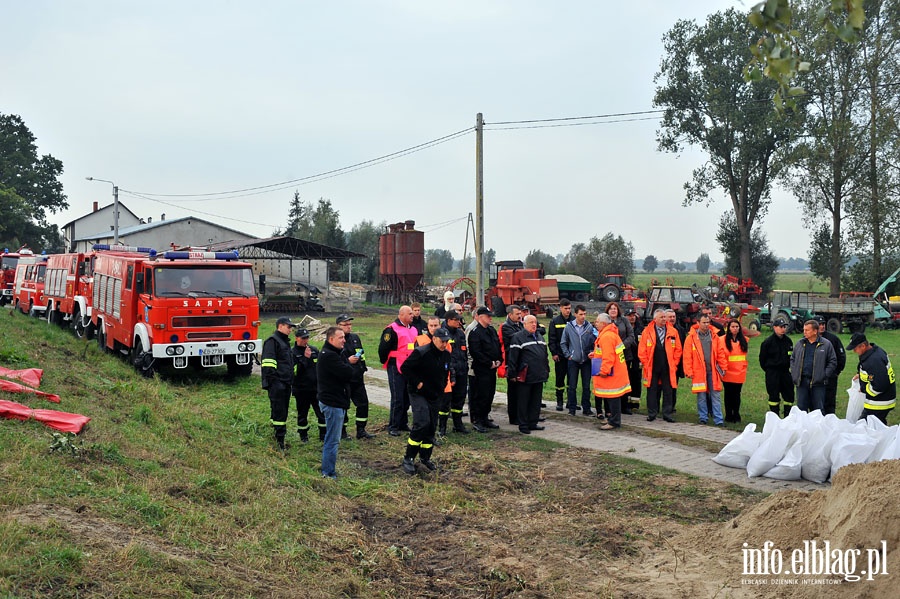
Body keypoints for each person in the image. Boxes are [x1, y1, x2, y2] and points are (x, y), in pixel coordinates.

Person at [401, 327, 452, 474]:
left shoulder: (446, 355)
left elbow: (446, 372)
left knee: (431, 427)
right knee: (422, 423)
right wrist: (418, 382)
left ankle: (425, 458)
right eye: (442, 341)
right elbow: (405, 368)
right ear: (434, 339)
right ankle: (409, 457)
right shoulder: (421, 352)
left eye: (446, 341)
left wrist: (442, 387)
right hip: (418, 393)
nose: (444, 344)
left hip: (435, 394)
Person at [317, 326, 358, 479]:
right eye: (340, 338)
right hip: (333, 403)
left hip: (335, 401)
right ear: (331, 339)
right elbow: (349, 373)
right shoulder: (329, 356)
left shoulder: (335, 353)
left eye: (344, 337)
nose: (344, 340)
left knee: (332, 438)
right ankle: (328, 472)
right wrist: (348, 365)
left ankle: (328, 469)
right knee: (332, 440)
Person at [507, 314, 550, 434]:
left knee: (536, 401)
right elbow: (513, 357)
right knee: (523, 401)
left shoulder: (540, 337)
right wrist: (513, 374)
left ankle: (533, 422)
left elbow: (545, 355)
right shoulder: (518, 337)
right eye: (531, 322)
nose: (534, 324)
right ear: (524, 324)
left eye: (535, 322)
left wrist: (546, 370)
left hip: (539, 374)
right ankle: (523, 424)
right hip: (525, 376)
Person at [378, 305, 417, 436]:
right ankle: (393, 425)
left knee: (407, 397)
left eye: (412, 313)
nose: (412, 315)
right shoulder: (391, 330)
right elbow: (383, 349)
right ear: (401, 315)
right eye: (410, 313)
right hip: (396, 366)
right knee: (398, 397)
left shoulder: (413, 329)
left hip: (409, 367)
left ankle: (402, 423)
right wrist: (388, 362)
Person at [682, 314, 727, 426]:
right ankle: (703, 417)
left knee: (715, 395)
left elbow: (720, 353)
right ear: (698, 323)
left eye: (708, 322)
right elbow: (687, 356)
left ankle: (719, 420)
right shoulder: (691, 338)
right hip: (698, 371)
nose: (706, 325)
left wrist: (723, 367)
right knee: (701, 395)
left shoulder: (714, 336)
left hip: (713, 371)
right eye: (704, 322)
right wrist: (689, 371)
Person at [638, 308, 682, 422]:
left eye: (664, 317)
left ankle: (667, 414)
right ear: (655, 319)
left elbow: (678, 349)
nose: (664, 319)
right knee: (652, 390)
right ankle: (652, 413)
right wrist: (646, 363)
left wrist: (674, 363)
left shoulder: (673, 331)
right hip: (652, 366)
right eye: (662, 317)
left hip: (668, 366)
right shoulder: (647, 331)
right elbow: (641, 350)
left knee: (668, 390)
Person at [336, 314, 375, 440]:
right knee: (344, 406)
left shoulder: (355, 338)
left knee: (363, 404)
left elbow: (361, 354)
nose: (349, 326)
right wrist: (347, 361)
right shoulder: (335, 340)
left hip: (357, 378)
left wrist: (362, 367)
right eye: (345, 324)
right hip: (344, 380)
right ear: (338, 326)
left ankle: (361, 430)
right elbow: (333, 360)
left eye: (350, 324)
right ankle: (342, 432)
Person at [590, 313, 631, 430]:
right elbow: (607, 352)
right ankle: (613, 420)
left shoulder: (607, 336)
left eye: (597, 322)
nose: (595, 323)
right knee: (614, 398)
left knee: (613, 398)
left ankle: (614, 422)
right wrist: (595, 355)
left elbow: (609, 357)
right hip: (617, 371)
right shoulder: (610, 334)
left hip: (612, 373)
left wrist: (604, 371)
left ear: (603, 324)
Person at [261, 317, 296, 451]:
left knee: (281, 411)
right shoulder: (273, 341)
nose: (290, 329)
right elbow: (268, 364)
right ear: (280, 326)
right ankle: (279, 440)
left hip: (285, 383)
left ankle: (276, 434)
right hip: (278, 384)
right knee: (279, 412)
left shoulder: (284, 342)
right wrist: (275, 383)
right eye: (288, 327)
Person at [789, 319, 837, 414]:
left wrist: (823, 375)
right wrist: (795, 373)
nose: (804, 332)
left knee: (818, 410)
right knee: (801, 409)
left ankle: (817, 429)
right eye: (804, 330)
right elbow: (793, 359)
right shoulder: (800, 343)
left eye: (807, 330)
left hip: (818, 384)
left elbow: (833, 361)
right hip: (802, 382)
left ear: (815, 331)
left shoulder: (826, 344)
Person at [847, 333, 896, 424]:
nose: (854, 351)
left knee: (863, 426)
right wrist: (860, 375)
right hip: (884, 399)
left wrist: (864, 389)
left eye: (855, 348)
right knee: (877, 425)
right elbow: (873, 373)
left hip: (879, 403)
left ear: (863, 346)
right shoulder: (874, 352)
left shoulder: (873, 361)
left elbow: (879, 386)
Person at [467, 306, 502, 432]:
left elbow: (497, 346)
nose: (490, 318)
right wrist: (489, 363)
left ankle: (485, 417)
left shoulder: (491, 330)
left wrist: (499, 360)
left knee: (489, 394)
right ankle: (477, 420)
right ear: (480, 317)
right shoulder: (475, 332)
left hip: (492, 369)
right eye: (488, 316)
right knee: (480, 395)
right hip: (481, 369)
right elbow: (476, 352)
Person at [560, 304, 597, 416]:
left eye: (585, 314)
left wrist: (591, 351)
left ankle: (586, 408)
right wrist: (568, 355)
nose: (583, 316)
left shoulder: (589, 327)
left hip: (586, 361)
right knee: (572, 385)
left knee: (586, 386)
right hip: (573, 360)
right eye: (581, 314)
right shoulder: (569, 327)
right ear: (575, 314)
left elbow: (594, 341)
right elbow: (563, 343)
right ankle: (572, 409)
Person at [291, 327, 325, 443]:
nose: (305, 341)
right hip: (301, 390)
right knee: (302, 414)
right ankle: (303, 436)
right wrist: (305, 359)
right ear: (296, 338)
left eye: (307, 338)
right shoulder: (292, 353)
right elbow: (294, 373)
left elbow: (321, 368)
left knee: (321, 413)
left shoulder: (314, 350)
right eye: (303, 338)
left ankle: (323, 435)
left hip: (316, 389)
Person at [439, 309, 470, 436]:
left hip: (461, 370)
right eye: (456, 320)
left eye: (459, 320)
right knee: (445, 401)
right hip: (448, 372)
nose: (458, 322)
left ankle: (458, 425)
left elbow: (463, 351)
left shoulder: (460, 333)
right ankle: (442, 427)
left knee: (459, 399)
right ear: (448, 320)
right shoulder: (442, 333)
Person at [758, 318, 795, 417]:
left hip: (785, 372)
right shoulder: (767, 342)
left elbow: (791, 357)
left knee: (789, 395)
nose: (783, 329)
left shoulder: (788, 341)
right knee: (773, 395)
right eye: (781, 327)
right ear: (774, 327)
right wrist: (770, 370)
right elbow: (762, 360)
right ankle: (775, 417)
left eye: (784, 327)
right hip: (772, 373)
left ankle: (787, 416)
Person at [812, 315, 846, 416]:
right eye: (820, 324)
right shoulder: (808, 339)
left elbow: (841, 357)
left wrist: (836, 372)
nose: (822, 326)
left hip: (830, 377)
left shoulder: (833, 339)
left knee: (829, 401)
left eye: (823, 324)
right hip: (814, 377)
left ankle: (830, 421)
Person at [605, 302, 634, 415]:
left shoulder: (624, 321)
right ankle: (609, 408)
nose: (613, 310)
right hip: (610, 356)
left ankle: (624, 406)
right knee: (611, 382)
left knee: (624, 381)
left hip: (624, 355)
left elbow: (631, 336)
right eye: (611, 309)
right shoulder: (605, 322)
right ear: (607, 310)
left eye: (615, 309)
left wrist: (621, 346)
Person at [720, 318, 749, 423]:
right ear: (729, 328)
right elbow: (721, 356)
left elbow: (743, 356)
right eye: (732, 327)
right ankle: (728, 415)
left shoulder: (744, 340)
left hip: (739, 372)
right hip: (727, 372)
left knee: (737, 395)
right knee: (728, 394)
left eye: (737, 327)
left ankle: (736, 414)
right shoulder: (722, 340)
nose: (735, 329)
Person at [547, 299, 574, 411]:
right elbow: (552, 339)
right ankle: (559, 401)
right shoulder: (555, 321)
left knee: (571, 379)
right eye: (565, 308)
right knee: (560, 379)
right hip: (560, 355)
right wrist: (554, 353)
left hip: (572, 356)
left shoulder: (574, 320)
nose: (568, 311)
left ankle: (570, 401)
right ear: (560, 308)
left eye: (569, 308)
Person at [499, 305, 524, 425]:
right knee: (513, 392)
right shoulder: (506, 327)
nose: (520, 316)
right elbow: (517, 338)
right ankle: (513, 417)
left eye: (520, 313)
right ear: (510, 315)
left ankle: (524, 414)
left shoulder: (521, 325)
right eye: (517, 314)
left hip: (523, 362)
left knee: (522, 391)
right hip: (512, 362)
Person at [624, 308, 643, 413]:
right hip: (627, 357)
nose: (632, 317)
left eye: (633, 315)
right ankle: (626, 402)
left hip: (637, 359)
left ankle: (635, 404)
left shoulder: (640, 329)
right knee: (627, 380)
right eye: (629, 315)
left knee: (636, 380)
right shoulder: (624, 329)